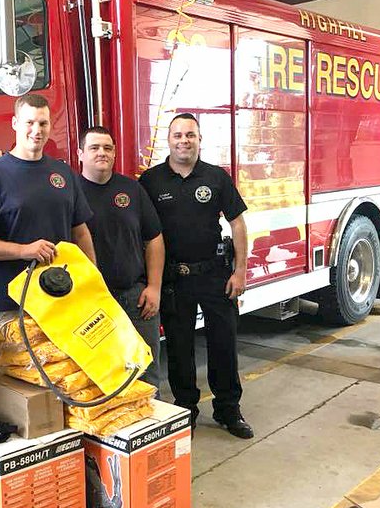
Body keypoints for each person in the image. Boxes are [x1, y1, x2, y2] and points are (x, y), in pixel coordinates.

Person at [139, 113, 253, 439]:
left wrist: (240, 271)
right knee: (179, 348)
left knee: (223, 345)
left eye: (190, 135)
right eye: (178, 135)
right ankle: (186, 409)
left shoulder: (216, 178)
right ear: (169, 140)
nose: (184, 141)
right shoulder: (150, 181)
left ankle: (229, 410)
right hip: (175, 279)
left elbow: (238, 224)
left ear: (199, 139)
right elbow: (145, 234)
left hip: (215, 274)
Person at [0, 93, 95, 312]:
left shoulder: (63, 173)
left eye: (43, 123)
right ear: (15, 123)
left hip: (63, 301)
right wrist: (24, 250)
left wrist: (91, 280)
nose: (37, 130)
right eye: (29, 122)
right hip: (14, 305)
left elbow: (80, 232)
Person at [77, 126, 165, 393]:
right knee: (99, 375)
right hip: (89, 302)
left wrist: (154, 288)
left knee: (147, 373)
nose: (102, 153)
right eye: (94, 148)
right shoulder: (70, 191)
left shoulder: (132, 190)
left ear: (114, 153)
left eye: (107, 148)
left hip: (135, 298)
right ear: (80, 154)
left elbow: (155, 239)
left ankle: (154, 430)